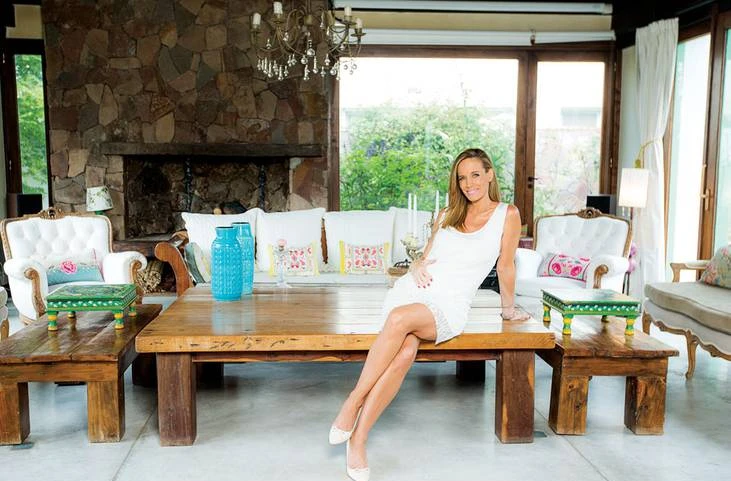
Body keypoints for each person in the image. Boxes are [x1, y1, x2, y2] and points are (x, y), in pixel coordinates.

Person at [329, 148, 531, 481]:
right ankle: (358, 440)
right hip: (412, 291)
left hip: (449, 305)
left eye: (475, 175)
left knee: (398, 320)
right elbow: (425, 257)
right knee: (404, 352)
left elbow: (506, 266)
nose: (469, 184)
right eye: (462, 178)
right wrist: (416, 265)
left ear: (489, 174)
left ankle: (352, 402)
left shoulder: (507, 214)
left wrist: (508, 309)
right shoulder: (447, 213)